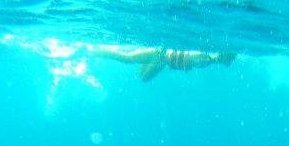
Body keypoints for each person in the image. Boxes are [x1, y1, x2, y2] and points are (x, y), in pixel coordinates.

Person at [89, 45, 236, 82]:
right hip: (159, 55)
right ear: (224, 56)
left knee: (143, 78)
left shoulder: (207, 61)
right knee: (126, 59)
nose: (228, 64)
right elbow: (184, 56)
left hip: (161, 62)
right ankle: (96, 51)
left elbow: (184, 62)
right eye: (227, 60)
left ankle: (141, 52)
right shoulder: (205, 57)